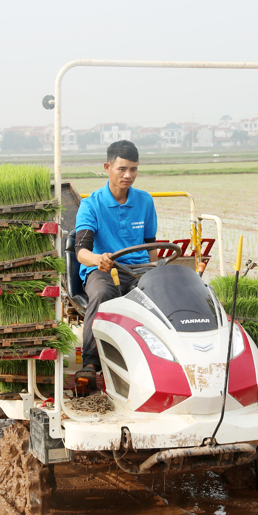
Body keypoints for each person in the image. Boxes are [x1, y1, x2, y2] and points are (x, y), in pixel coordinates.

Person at [74, 140, 158, 386]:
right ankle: (90, 363)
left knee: (159, 297)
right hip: (102, 270)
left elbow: (150, 245)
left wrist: (153, 271)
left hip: (138, 270)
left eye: (133, 169)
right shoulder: (91, 204)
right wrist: (98, 259)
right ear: (107, 167)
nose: (128, 175)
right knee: (102, 294)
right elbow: (81, 251)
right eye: (122, 169)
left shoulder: (145, 201)